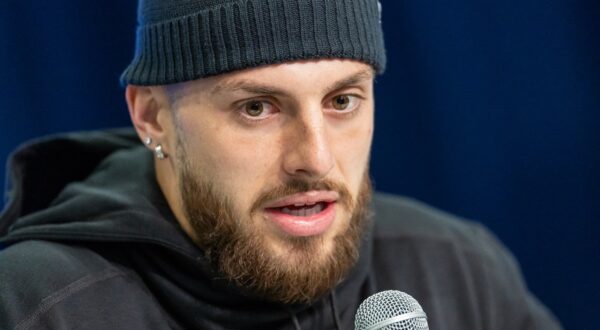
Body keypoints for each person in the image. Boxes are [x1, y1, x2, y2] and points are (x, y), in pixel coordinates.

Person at [0, 0, 561, 329]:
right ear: (152, 117)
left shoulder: (459, 270)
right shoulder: (39, 308)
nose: (314, 159)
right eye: (257, 107)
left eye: (342, 101)